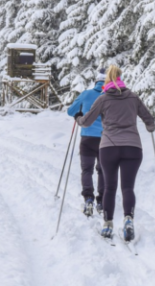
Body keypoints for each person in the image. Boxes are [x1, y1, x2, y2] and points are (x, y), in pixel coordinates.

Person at [75, 64, 155, 243]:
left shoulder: (103, 99)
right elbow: (149, 120)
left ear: (107, 80)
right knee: (128, 188)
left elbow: (87, 121)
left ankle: (108, 224)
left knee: (110, 187)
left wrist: (78, 118)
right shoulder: (133, 97)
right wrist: (150, 127)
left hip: (109, 147)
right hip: (133, 147)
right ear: (121, 78)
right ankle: (128, 219)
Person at [66, 68, 106, 217]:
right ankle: (101, 201)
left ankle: (88, 199)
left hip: (87, 138)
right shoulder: (110, 96)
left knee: (87, 170)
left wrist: (79, 114)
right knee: (103, 170)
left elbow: (70, 111)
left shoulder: (86, 94)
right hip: (105, 139)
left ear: (96, 81)